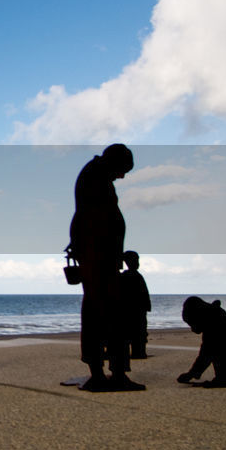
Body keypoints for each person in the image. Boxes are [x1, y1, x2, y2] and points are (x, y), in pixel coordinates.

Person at [68, 143, 142, 391]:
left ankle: (106, 371)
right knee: (108, 315)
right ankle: (109, 373)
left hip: (100, 258)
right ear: (114, 161)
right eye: (122, 170)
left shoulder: (94, 174)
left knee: (99, 313)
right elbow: (90, 218)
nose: (121, 176)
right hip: (100, 260)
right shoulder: (95, 176)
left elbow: (82, 218)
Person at [177, 296, 226, 387]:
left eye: (191, 323)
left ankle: (222, 379)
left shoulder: (216, 326)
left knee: (215, 347)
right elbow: (205, 354)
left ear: (198, 317)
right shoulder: (214, 320)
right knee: (212, 348)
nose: (192, 329)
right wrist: (192, 374)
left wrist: (192, 374)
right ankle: (222, 378)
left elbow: (206, 355)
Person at [118, 250, 151, 359]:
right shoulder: (129, 276)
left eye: (137, 260)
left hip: (136, 310)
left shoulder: (132, 276)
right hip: (132, 310)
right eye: (135, 260)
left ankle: (139, 352)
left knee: (138, 332)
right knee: (135, 332)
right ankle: (138, 352)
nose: (137, 263)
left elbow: (144, 295)